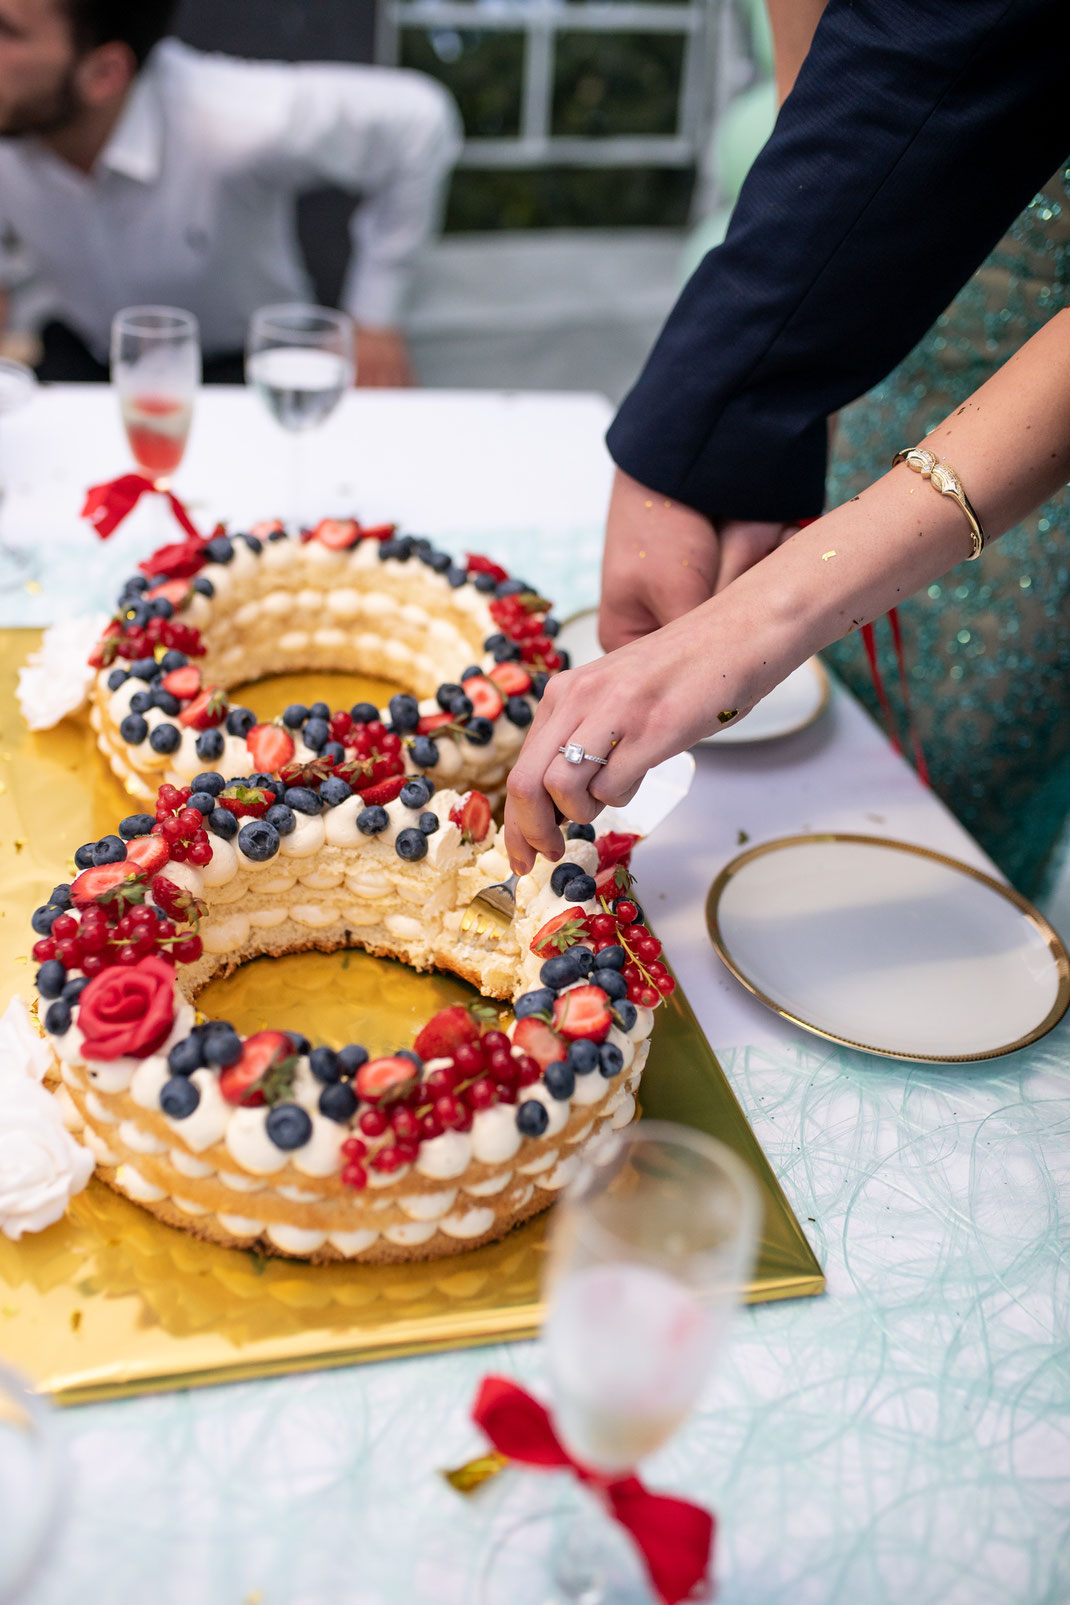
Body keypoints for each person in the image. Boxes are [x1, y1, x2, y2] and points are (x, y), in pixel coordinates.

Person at [503, 0, 1070, 887]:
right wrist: (714, 436)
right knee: (806, 779)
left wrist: (757, 618)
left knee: (957, 821)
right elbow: (869, 75)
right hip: (875, 335)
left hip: (1043, 451)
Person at [0, 0, 461, 385]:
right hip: (87, 365)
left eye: (6, 31)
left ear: (105, 72)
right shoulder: (18, 111)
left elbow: (419, 121)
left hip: (240, 375)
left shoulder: (231, 118)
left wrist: (375, 320)